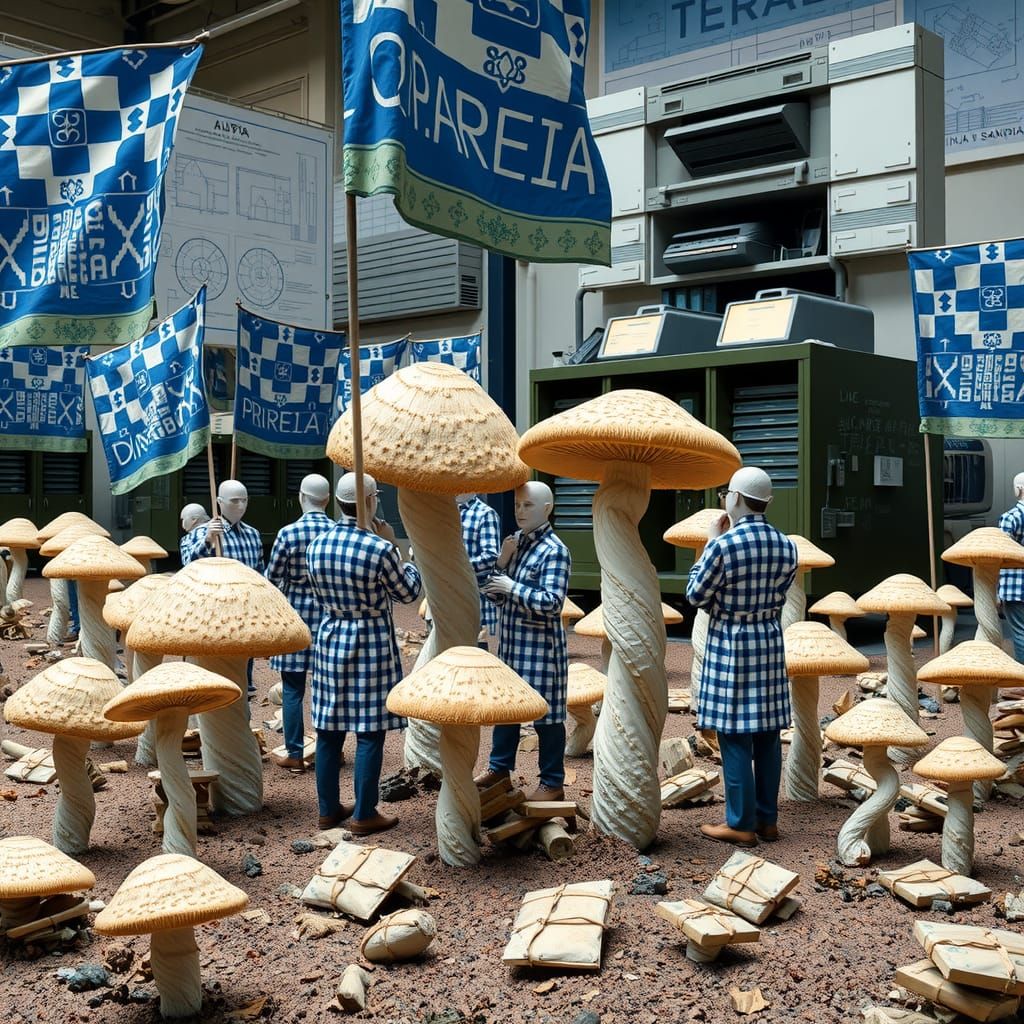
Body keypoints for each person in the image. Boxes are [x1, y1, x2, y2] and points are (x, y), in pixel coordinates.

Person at [687, 466, 797, 848]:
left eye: (725, 495)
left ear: (733, 498)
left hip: (731, 642)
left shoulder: (723, 545)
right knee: (767, 735)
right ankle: (768, 820)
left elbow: (696, 596)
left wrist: (709, 544)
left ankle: (740, 823)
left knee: (734, 735)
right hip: (768, 637)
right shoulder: (787, 545)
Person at [305, 472, 421, 835]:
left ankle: (328, 810)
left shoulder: (317, 545)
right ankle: (365, 812)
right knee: (369, 730)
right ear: (370, 500)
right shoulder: (379, 548)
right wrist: (403, 554)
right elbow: (406, 593)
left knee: (329, 728)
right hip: (369, 637)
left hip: (330, 634)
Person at [476, 481, 571, 801]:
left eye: (527, 505)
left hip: (542, 649)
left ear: (547, 508)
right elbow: (492, 595)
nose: (519, 511)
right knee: (507, 710)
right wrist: (501, 563)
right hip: (513, 645)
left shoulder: (555, 550)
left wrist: (511, 587)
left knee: (548, 715)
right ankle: (499, 768)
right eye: (517, 505)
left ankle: (552, 783)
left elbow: (552, 604)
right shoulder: (515, 544)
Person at [264, 474, 335, 772]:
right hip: (330, 617)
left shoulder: (288, 533)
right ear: (328, 500)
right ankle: (328, 750)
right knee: (326, 689)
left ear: (301, 498)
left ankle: (294, 753)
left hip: (293, 620)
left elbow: (271, 578)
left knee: (292, 689)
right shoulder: (335, 532)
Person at [190, 480, 264, 695]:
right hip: (215, 608)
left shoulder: (253, 534)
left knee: (244, 657)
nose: (240, 506)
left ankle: (245, 690)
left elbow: (260, 571)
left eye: (244, 500)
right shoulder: (202, 532)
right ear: (219, 502)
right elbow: (189, 564)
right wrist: (208, 540)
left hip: (247, 606)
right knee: (217, 663)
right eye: (234, 501)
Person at [456, 492, 501, 644]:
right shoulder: (443, 511)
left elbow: (490, 557)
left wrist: (457, 568)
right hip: (447, 591)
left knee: (476, 649)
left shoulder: (485, 514)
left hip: (474, 593)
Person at [998, 471, 1024, 663]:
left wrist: (995, 588)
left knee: (1020, 632)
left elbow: (1000, 554)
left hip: (1015, 585)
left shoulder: (1010, 517)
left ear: (1018, 489)